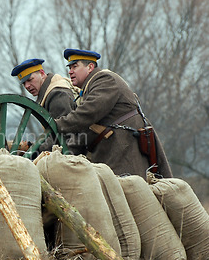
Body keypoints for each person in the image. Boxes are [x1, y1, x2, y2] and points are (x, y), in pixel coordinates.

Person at [54, 48, 172, 179]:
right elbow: (87, 131)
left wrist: (55, 125)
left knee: (127, 190)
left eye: (75, 66)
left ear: (90, 67)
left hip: (123, 150)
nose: (70, 71)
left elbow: (87, 114)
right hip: (114, 150)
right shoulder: (90, 88)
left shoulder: (104, 80)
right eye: (69, 67)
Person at [11, 58, 85, 155]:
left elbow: (61, 134)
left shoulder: (57, 95)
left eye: (30, 80)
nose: (27, 86)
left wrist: (33, 152)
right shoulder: (50, 91)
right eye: (24, 83)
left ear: (42, 73)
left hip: (73, 153)